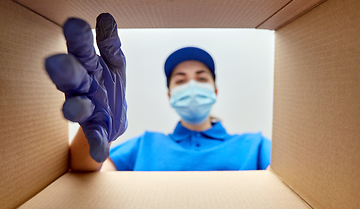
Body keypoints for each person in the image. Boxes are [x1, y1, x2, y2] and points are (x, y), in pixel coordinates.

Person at [46, 13, 271, 172]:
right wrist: (98, 124)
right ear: (170, 95)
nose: (192, 85)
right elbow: (86, 173)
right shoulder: (145, 145)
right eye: (180, 80)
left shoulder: (256, 145)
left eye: (201, 78)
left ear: (215, 90)